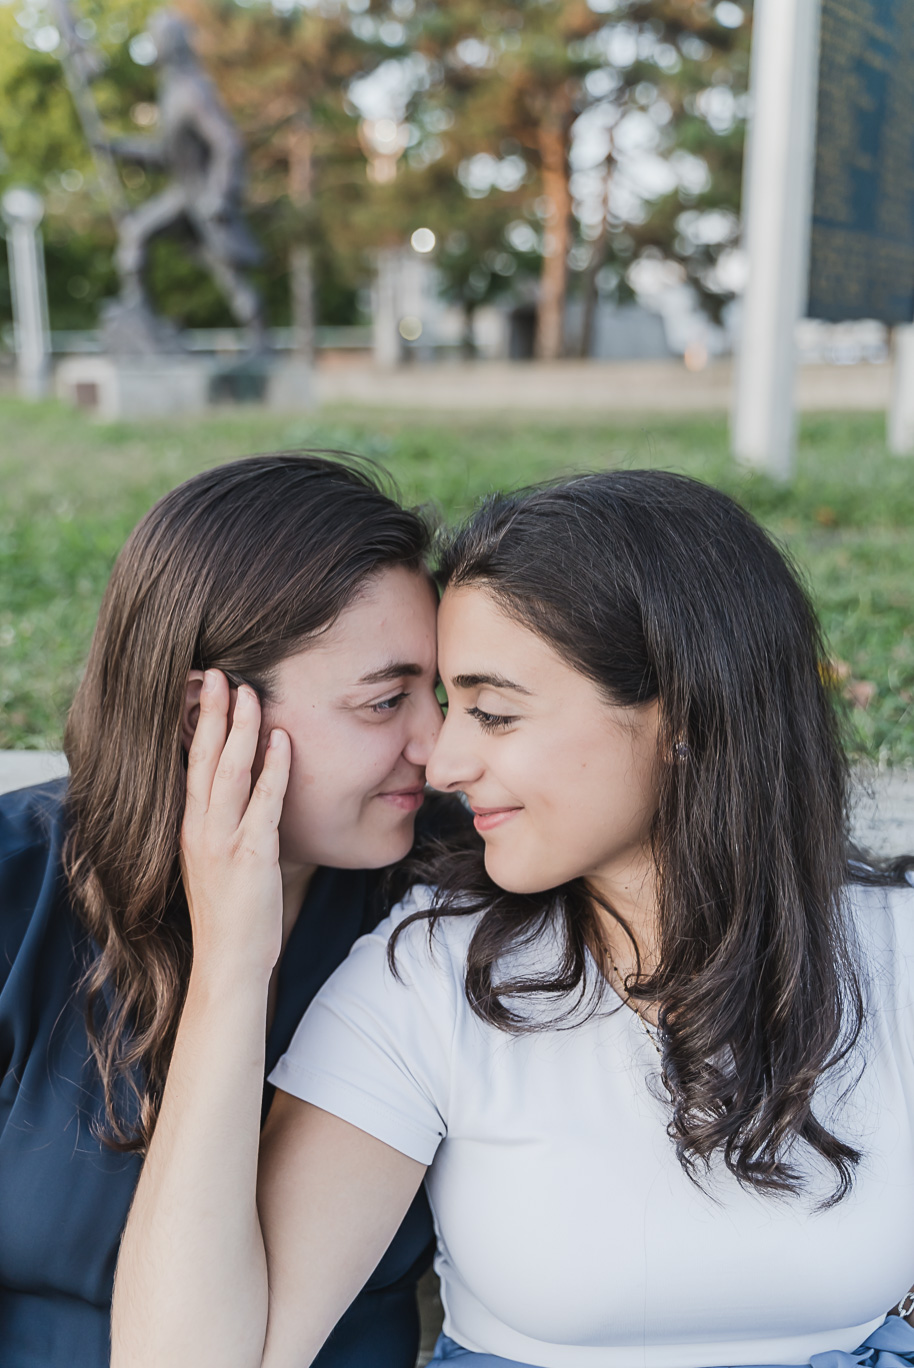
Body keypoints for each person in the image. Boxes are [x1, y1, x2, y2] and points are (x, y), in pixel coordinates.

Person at [112, 469, 914, 1368]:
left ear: (685, 717)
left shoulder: (895, 959)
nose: (444, 762)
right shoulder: (429, 975)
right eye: (441, 707)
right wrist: (231, 965)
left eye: (492, 713)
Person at [0, 452, 450, 1368]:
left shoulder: (448, 898)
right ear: (198, 713)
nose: (436, 747)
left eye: (439, 695)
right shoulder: (16, 891)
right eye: (386, 702)